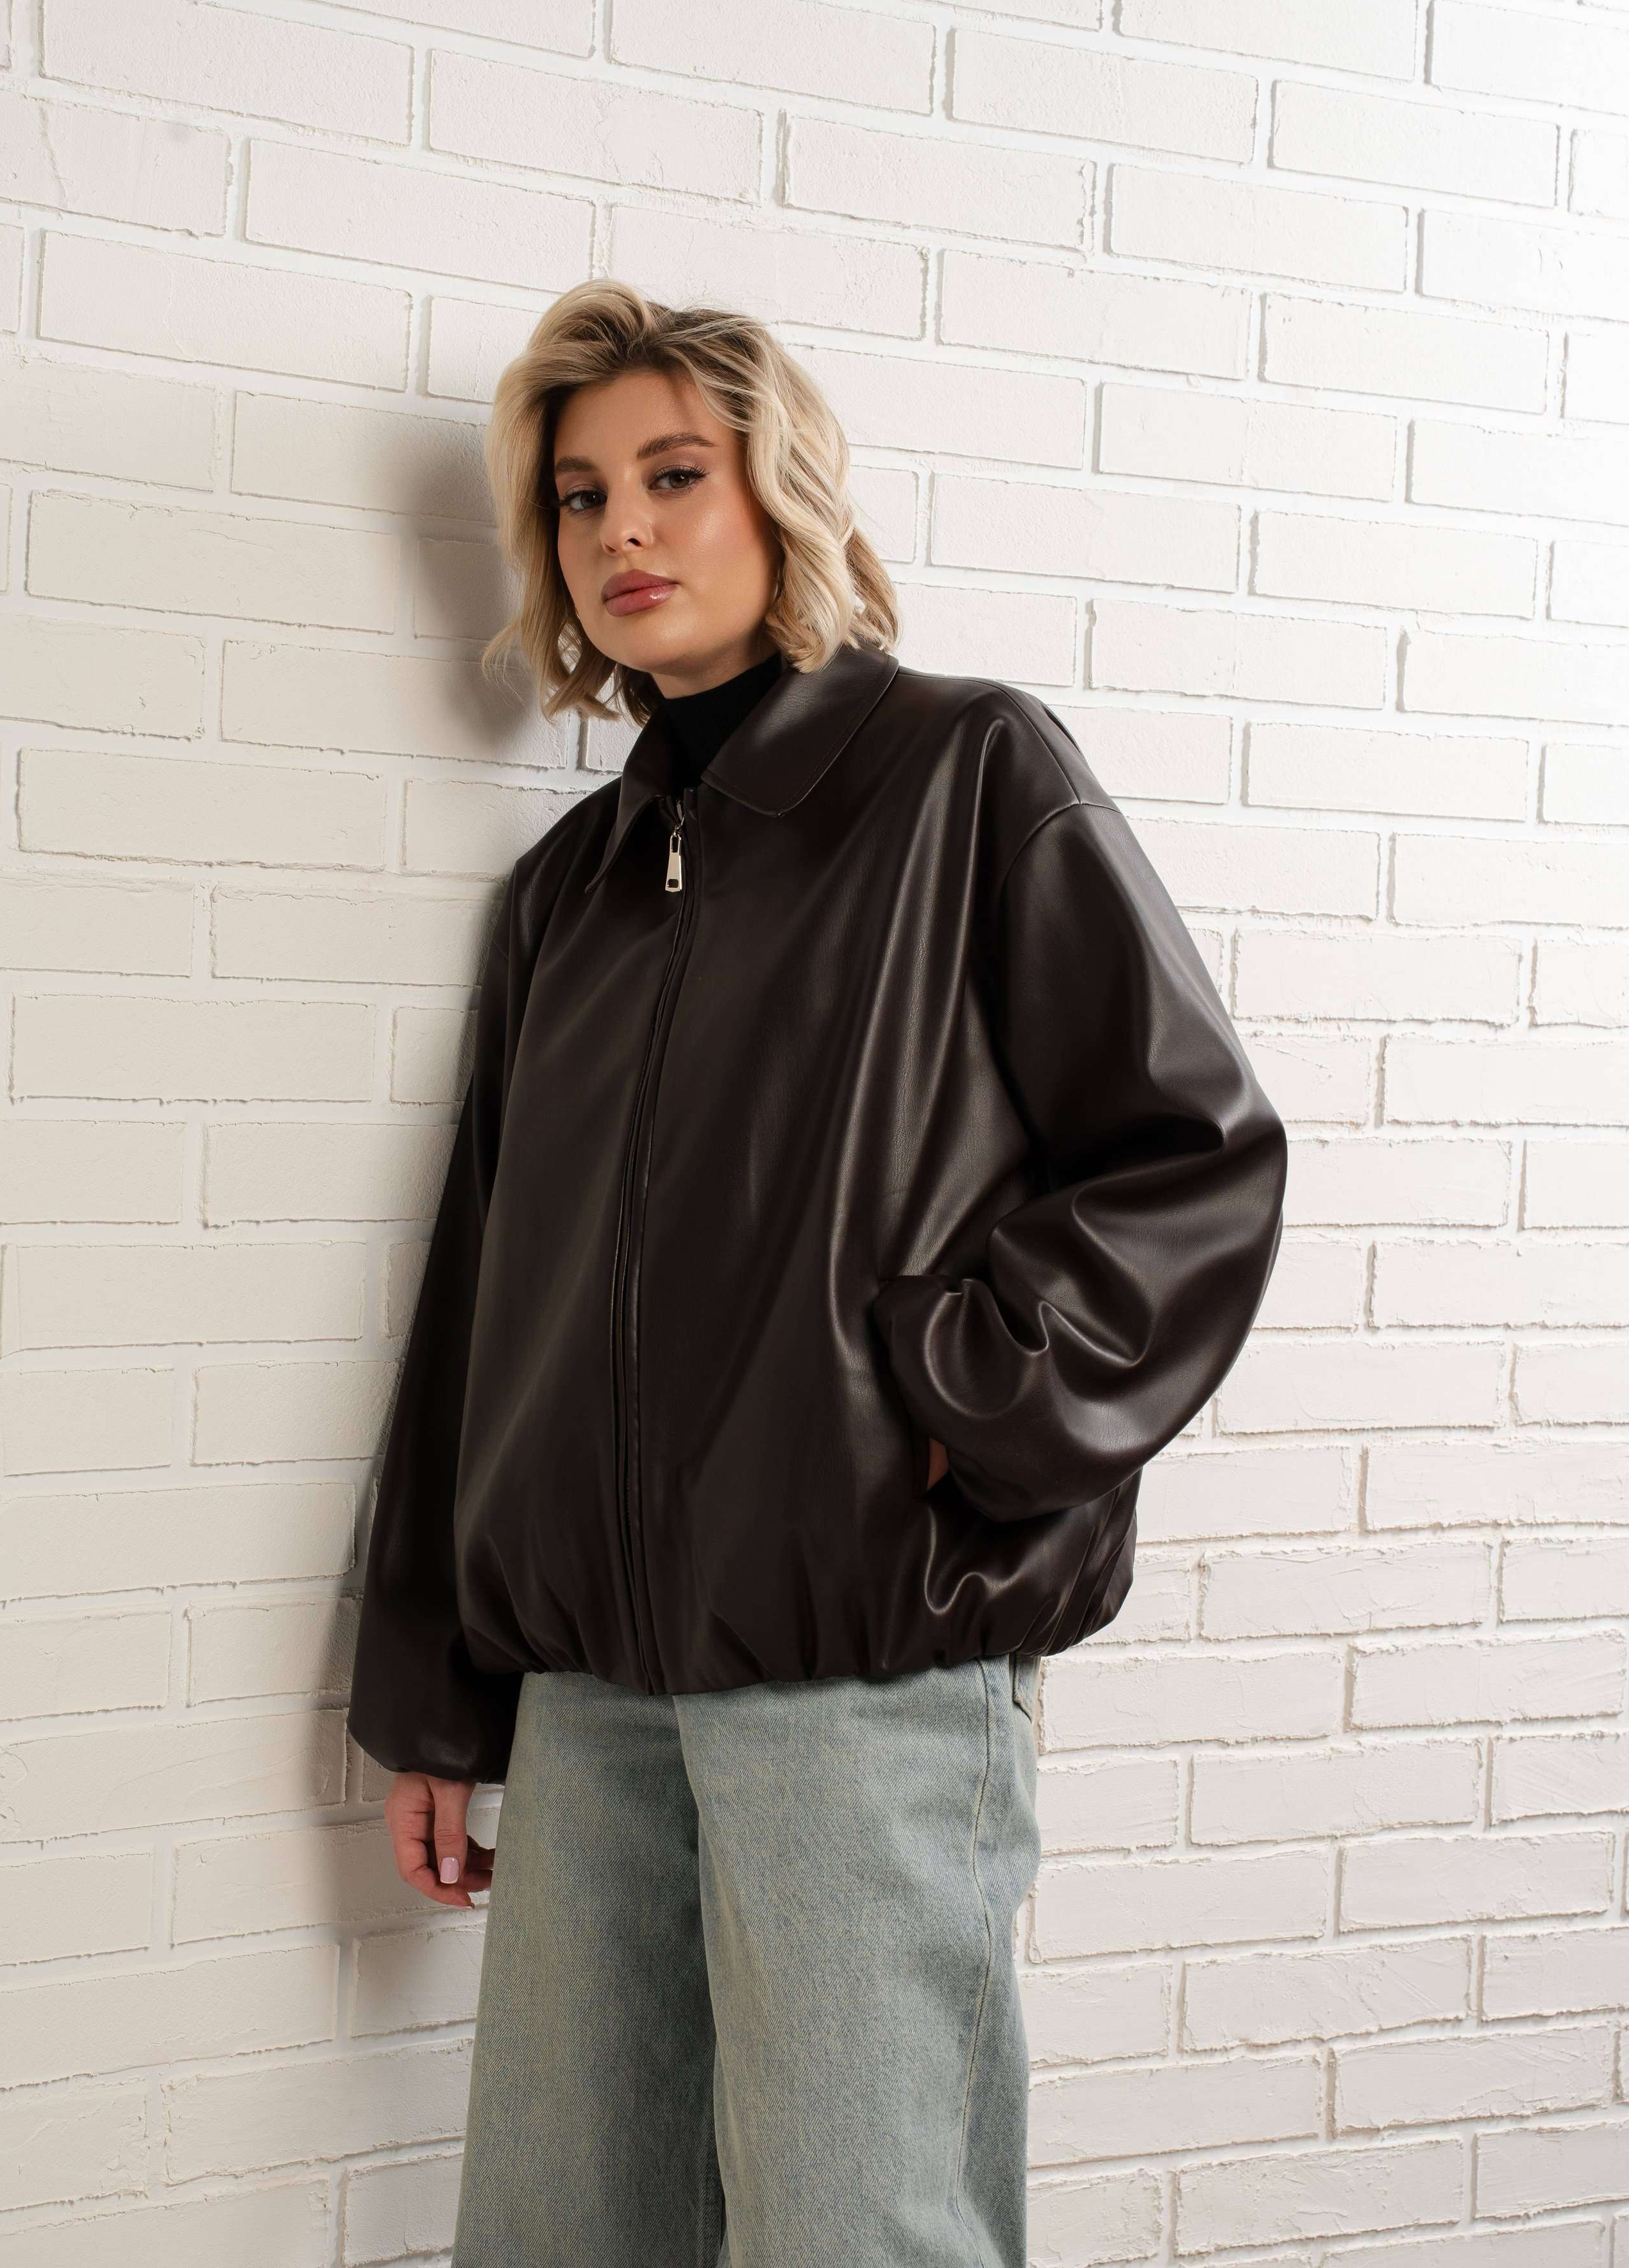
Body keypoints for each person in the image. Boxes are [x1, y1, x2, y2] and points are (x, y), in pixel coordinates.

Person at [346, 277, 1288, 2268]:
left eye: (674, 475)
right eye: (581, 493)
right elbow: (484, 1298)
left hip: (862, 1680)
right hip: (594, 1696)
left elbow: (1191, 1156)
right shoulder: (570, 894)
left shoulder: (964, 777)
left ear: (780, 494)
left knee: (862, 2232)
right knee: (560, 2236)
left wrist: (962, 1412)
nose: (623, 528)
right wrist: (439, 1689)